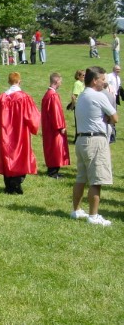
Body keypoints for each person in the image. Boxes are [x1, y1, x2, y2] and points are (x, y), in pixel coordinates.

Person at [71, 67, 118, 226]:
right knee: (96, 180)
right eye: (102, 79)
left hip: (81, 140)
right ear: (94, 80)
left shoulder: (83, 95)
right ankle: (93, 216)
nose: (104, 82)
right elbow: (115, 117)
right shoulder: (98, 96)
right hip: (95, 140)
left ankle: (76, 211)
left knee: (81, 178)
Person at [0, 72, 40, 194]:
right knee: (21, 156)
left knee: (6, 156)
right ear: (19, 81)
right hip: (21, 132)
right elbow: (32, 116)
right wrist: (33, 127)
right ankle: (17, 183)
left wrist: (2, 125)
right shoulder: (24, 98)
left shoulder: (1, 98)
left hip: (6, 133)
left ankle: (9, 185)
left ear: (9, 81)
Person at [41, 73, 70, 179]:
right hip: (54, 127)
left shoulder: (48, 94)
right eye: (60, 81)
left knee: (52, 148)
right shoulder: (52, 95)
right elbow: (55, 112)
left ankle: (54, 170)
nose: (61, 83)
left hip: (49, 126)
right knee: (55, 148)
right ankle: (53, 172)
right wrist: (61, 126)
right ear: (56, 81)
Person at [70, 69, 86, 141]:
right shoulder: (77, 83)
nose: (84, 77)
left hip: (83, 105)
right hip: (78, 105)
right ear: (78, 76)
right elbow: (74, 96)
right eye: (83, 75)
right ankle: (77, 138)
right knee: (78, 122)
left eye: (85, 75)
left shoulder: (83, 84)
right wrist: (73, 105)